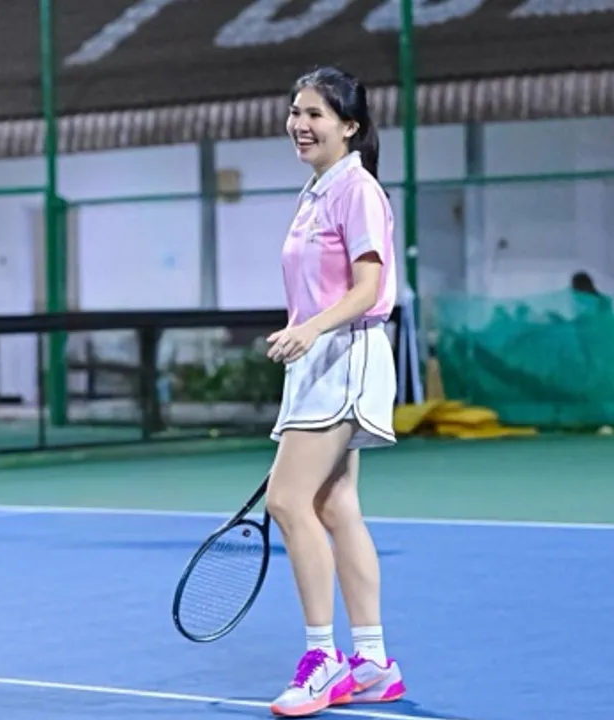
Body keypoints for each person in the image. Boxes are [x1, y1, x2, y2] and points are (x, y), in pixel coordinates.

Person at [264, 66, 406, 717]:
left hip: (344, 356)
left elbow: (368, 289)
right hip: (321, 357)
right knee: (335, 504)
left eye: (315, 114)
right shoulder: (317, 191)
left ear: (349, 126)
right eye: (296, 112)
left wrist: (311, 329)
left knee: (287, 500)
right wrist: (305, 333)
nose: (300, 124)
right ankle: (372, 661)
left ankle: (322, 662)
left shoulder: (357, 190)